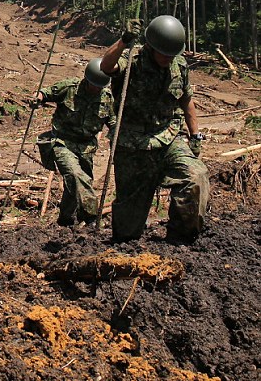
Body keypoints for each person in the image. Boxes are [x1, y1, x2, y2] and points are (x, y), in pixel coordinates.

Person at [99, 15, 209, 243]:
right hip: (132, 145)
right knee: (127, 229)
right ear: (150, 46)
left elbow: (186, 100)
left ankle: (181, 240)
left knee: (195, 176)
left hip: (168, 138)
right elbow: (105, 66)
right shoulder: (132, 59)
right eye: (164, 54)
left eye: (172, 54)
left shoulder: (179, 65)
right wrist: (124, 40)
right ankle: (126, 244)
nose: (169, 59)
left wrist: (195, 135)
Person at [32, 58, 115, 227]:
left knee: (76, 184)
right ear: (86, 79)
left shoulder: (107, 99)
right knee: (75, 175)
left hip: (86, 148)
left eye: (101, 86)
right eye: (94, 84)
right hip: (62, 142)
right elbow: (45, 93)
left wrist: (118, 138)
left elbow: (113, 123)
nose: (97, 89)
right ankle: (92, 217)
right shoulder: (70, 88)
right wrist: (37, 98)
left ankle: (65, 220)